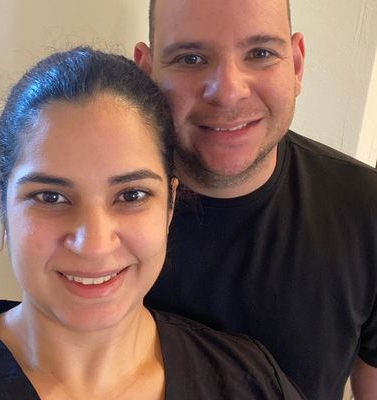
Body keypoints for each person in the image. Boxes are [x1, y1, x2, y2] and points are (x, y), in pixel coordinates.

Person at [0, 47, 305, 399]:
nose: (94, 245)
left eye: (131, 195)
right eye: (50, 197)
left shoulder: (250, 383)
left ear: (169, 206)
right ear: (3, 207)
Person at [133, 0, 377, 399]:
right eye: (191, 58)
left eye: (260, 53)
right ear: (145, 73)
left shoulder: (366, 209)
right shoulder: (99, 214)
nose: (228, 92)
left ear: (296, 65)